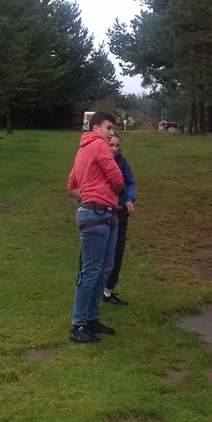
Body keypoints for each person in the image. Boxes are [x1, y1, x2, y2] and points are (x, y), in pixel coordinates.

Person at [67, 111, 125, 343]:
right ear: (96, 128)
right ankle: (78, 325)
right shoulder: (99, 145)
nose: (111, 133)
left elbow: (72, 184)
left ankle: (90, 318)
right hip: (97, 215)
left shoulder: (82, 150)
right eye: (108, 127)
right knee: (92, 271)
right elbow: (118, 178)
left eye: (112, 129)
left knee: (103, 269)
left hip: (104, 214)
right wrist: (97, 197)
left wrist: (89, 195)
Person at [103, 133, 135, 306]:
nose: (114, 149)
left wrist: (129, 199)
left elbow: (130, 183)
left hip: (120, 214)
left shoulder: (122, 163)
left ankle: (108, 292)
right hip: (101, 213)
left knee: (117, 253)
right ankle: (93, 290)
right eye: (111, 145)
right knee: (99, 255)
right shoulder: (98, 160)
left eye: (117, 146)